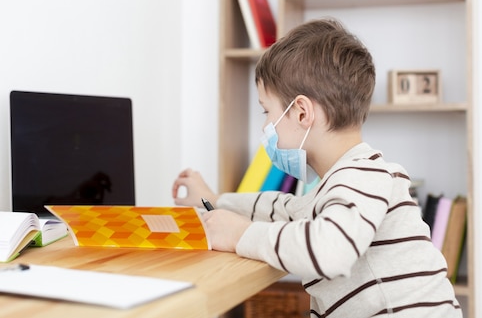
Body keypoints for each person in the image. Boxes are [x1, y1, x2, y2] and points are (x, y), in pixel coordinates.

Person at [172, 18, 462, 317]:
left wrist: (241, 235)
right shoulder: (344, 181)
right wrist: (215, 200)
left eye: (267, 110)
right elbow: (282, 207)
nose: (265, 125)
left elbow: (330, 251)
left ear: (301, 113)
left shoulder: (365, 176)